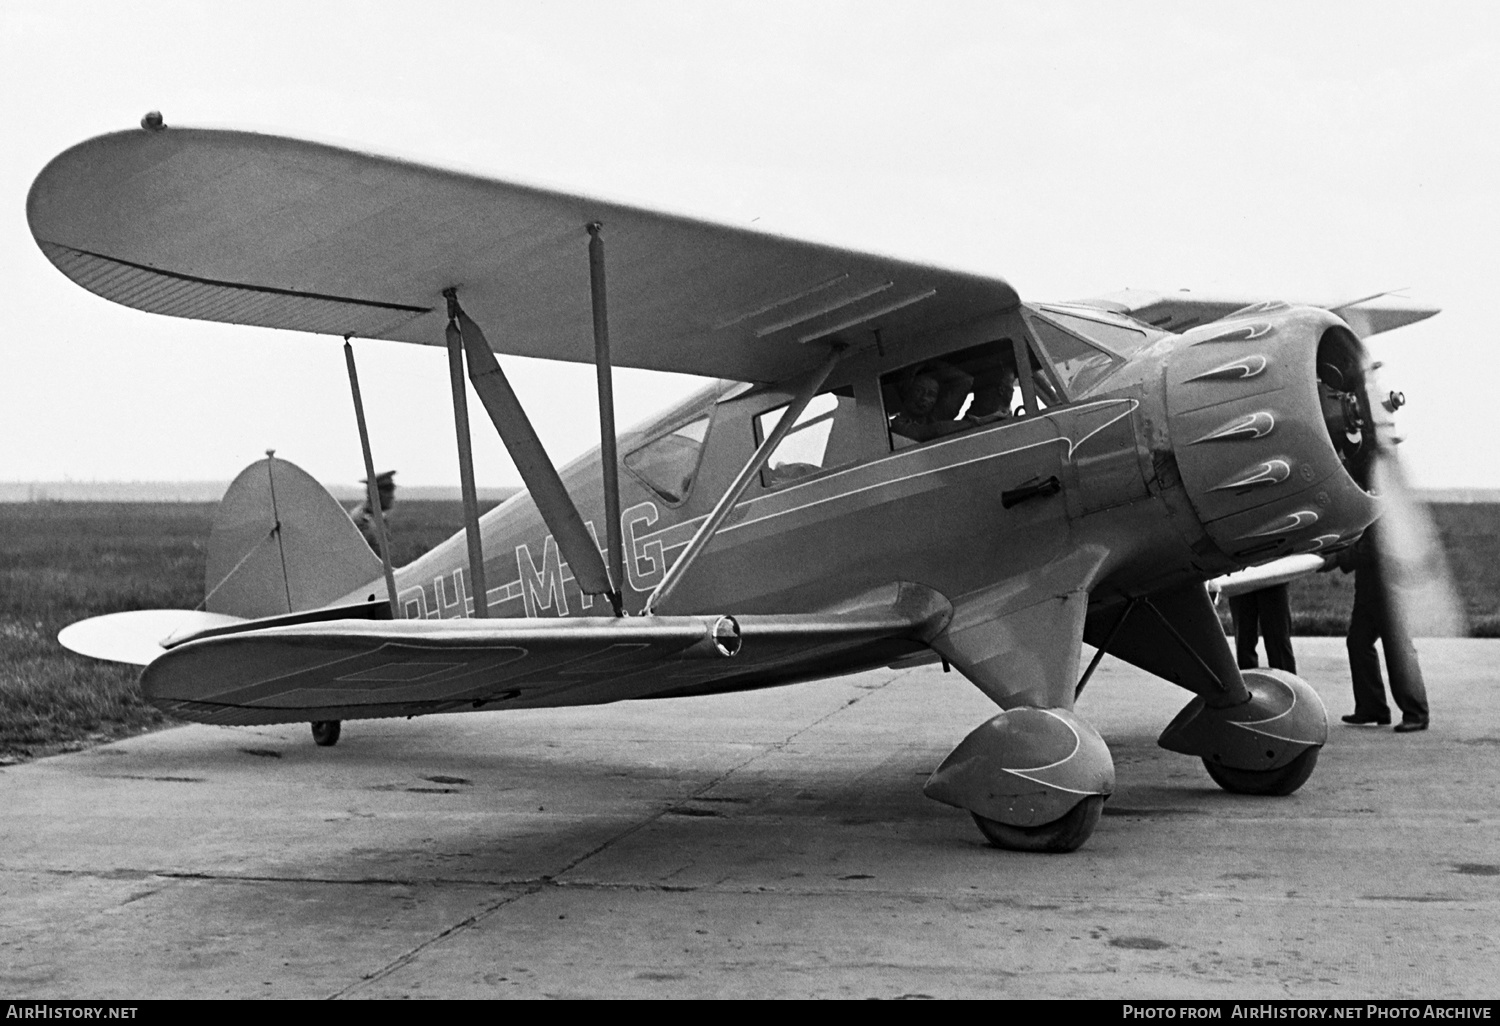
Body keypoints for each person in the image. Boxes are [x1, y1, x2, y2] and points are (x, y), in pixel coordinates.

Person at [1333, 520, 1430, 732]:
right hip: (1369, 588)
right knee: (1358, 642)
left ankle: (1416, 713)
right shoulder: (1366, 497)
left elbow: (1373, 546)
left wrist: (1335, 558)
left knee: (1398, 650)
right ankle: (1372, 707)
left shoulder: (1380, 500)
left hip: (1388, 590)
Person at [888, 368, 972, 443]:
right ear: (906, 392)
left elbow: (965, 381)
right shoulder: (895, 425)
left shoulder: (937, 416)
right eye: (919, 390)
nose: (924, 397)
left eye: (931, 394)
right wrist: (975, 423)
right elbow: (934, 431)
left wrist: (930, 364)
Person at [1227, 584, 1296, 673]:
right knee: (1244, 642)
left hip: (1272, 577)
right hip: (1240, 578)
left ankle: (1286, 683)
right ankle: (1249, 683)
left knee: (1278, 640)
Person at [352, 470, 396, 557]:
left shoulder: (379, 518)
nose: (392, 496)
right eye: (387, 490)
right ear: (374, 492)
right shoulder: (361, 520)